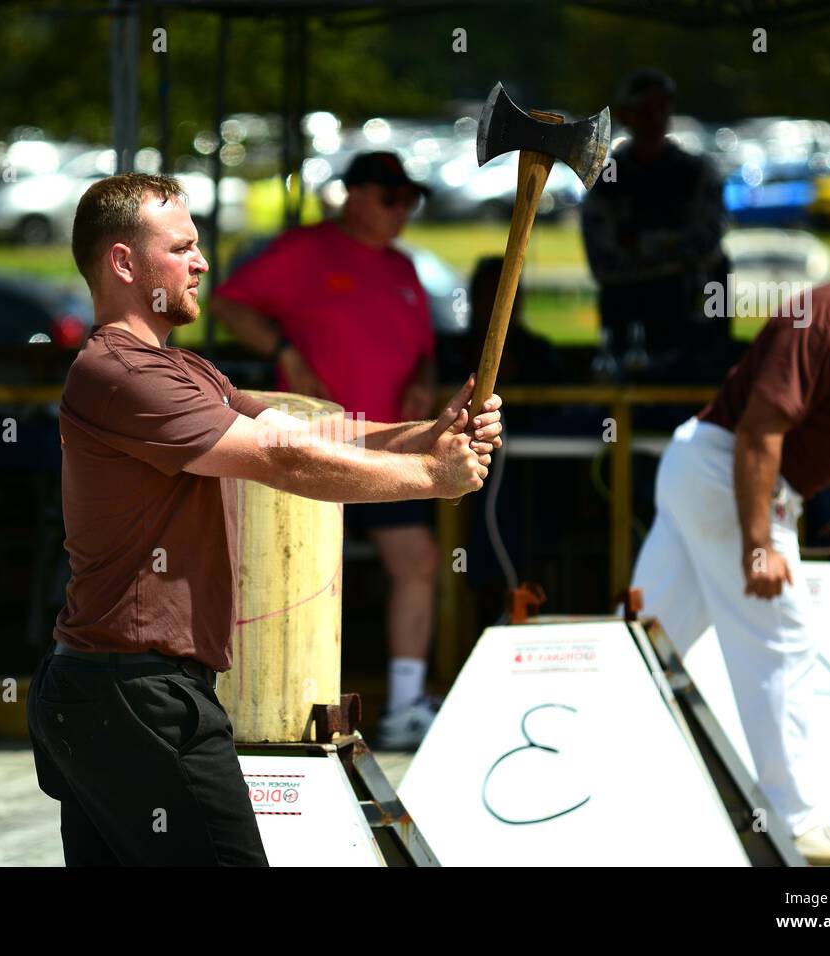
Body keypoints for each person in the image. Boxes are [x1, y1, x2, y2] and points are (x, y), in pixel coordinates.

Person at [25, 172, 503, 865]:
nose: (202, 262)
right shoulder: (119, 375)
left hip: (114, 695)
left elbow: (311, 432)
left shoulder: (187, 373)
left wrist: (430, 432)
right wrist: (430, 479)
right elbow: (280, 462)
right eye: (182, 247)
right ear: (124, 263)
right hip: (135, 698)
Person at [631, 201, 830, 866]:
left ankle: (598, 778)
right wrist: (757, 543)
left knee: (648, 639)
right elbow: (758, 432)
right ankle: (800, 826)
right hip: (726, 470)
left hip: (718, 475)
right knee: (784, 639)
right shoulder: (829, 318)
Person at [210, 152, 442, 749]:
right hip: (310, 445)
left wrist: (424, 377)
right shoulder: (304, 250)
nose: (402, 212)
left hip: (384, 441)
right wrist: (285, 350)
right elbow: (228, 303)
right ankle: (263, 706)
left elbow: (424, 348)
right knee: (287, 569)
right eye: (390, 198)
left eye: (408, 200)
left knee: (416, 561)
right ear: (354, 196)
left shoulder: (403, 268)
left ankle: (405, 702)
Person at [581, 68, 730, 382]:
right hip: (629, 327)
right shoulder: (608, 178)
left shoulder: (694, 172)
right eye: (645, 109)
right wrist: (672, 251)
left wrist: (642, 246)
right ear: (626, 115)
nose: (655, 118)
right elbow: (604, 261)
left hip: (690, 324)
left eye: (662, 107)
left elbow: (709, 243)